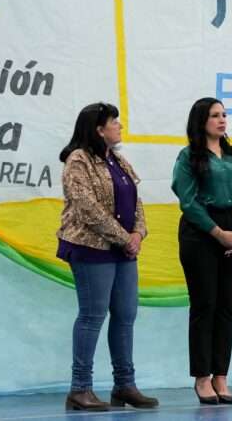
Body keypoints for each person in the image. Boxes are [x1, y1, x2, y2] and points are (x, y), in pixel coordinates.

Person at [56, 102, 159, 411]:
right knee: (92, 315)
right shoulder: (78, 160)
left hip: (123, 249)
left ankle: (124, 385)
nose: (120, 126)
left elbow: (136, 202)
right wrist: (124, 238)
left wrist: (138, 234)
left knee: (126, 315)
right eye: (114, 122)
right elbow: (87, 208)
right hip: (91, 248)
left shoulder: (118, 160)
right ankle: (80, 389)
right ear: (99, 129)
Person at [172, 98, 232, 405]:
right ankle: (202, 377)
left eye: (224, 115)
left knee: (226, 306)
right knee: (204, 304)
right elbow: (187, 200)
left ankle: (221, 374)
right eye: (214, 115)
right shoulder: (189, 156)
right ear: (201, 121)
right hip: (202, 232)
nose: (222, 120)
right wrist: (218, 233)